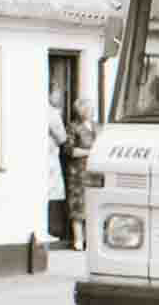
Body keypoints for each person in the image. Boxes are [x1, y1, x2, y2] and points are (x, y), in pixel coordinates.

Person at [66, 99, 98, 250]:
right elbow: (70, 150)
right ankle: (78, 240)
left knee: (93, 203)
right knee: (78, 205)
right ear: (81, 111)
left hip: (95, 170)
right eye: (88, 109)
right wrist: (90, 152)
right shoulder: (73, 127)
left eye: (92, 108)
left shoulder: (97, 126)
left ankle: (91, 239)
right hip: (78, 172)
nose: (91, 111)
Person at [44, 85, 67, 242]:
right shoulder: (51, 113)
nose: (59, 98)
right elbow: (62, 137)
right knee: (52, 191)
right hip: (50, 156)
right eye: (57, 94)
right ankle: (50, 229)